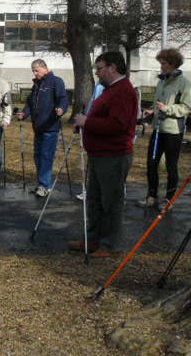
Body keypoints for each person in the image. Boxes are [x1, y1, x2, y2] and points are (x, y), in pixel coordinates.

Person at [70, 51, 138, 258]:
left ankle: (109, 245)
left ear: (112, 67)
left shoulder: (123, 91)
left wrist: (87, 122)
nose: (97, 73)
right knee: (95, 200)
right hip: (100, 154)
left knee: (110, 202)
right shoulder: (110, 90)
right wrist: (85, 124)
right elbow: (102, 117)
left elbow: (118, 125)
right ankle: (93, 239)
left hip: (114, 155)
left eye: (99, 68)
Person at [136, 48, 191, 210]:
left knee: (171, 166)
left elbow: (186, 107)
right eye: (160, 63)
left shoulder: (184, 83)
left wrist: (168, 109)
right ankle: (152, 197)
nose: (161, 66)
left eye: (164, 63)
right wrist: (152, 111)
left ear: (173, 64)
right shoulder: (161, 81)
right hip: (158, 129)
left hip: (173, 131)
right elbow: (158, 103)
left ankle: (169, 200)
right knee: (151, 164)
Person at [17, 59, 69, 197]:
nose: (34, 73)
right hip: (38, 127)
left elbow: (63, 99)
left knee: (46, 157)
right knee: (38, 157)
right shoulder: (37, 85)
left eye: (36, 70)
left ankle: (44, 186)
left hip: (50, 127)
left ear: (45, 68)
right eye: (33, 71)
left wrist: (61, 109)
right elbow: (30, 104)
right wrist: (24, 113)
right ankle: (42, 184)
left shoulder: (56, 81)